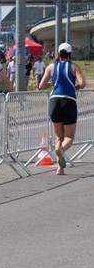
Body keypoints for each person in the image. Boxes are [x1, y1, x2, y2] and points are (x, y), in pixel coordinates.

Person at [38, 42, 87, 175]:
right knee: (69, 137)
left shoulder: (51, 67)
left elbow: (41, 86)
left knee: (58, 137)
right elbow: (82, 83)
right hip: (69, 101)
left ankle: (60, 168)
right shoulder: (74, 67)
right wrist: (75, 87)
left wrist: (52, 83)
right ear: (70, 54)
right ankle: (62, 150)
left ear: (58, 54)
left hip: (54, 101)